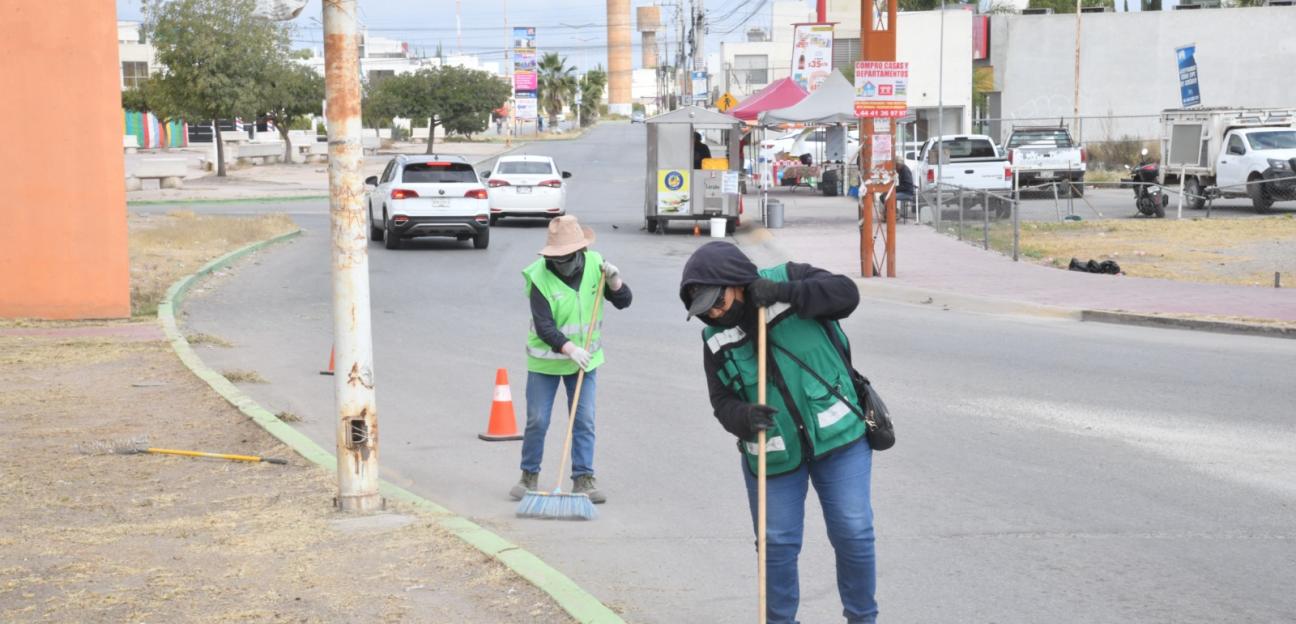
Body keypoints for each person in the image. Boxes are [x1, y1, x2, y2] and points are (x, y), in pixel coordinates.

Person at [678, 241, 877, 624]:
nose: (716, 314)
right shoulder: (714, 340)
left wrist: (785, 294)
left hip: (840, 440)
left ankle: (863, 619)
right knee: (776, 545)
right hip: (774, 454)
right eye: (707, 311)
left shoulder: (787, 278)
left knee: (854, 533)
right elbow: (721, 402)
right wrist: (744, 416)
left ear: (735, 283)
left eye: (719, 302)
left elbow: (846, 296)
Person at [510, 216, 633, 504]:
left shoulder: (596, 266)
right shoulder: (538, 276)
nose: (562, 260)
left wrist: (615, 283)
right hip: (546, 362)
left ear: (580, 251)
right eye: (557, 256)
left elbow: (625, 301)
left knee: (584, 420)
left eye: (568, 255)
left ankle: (583, 478)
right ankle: (529, 474)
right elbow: (544, 326)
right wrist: (569, 349)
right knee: (537, 420)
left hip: (585, 362)